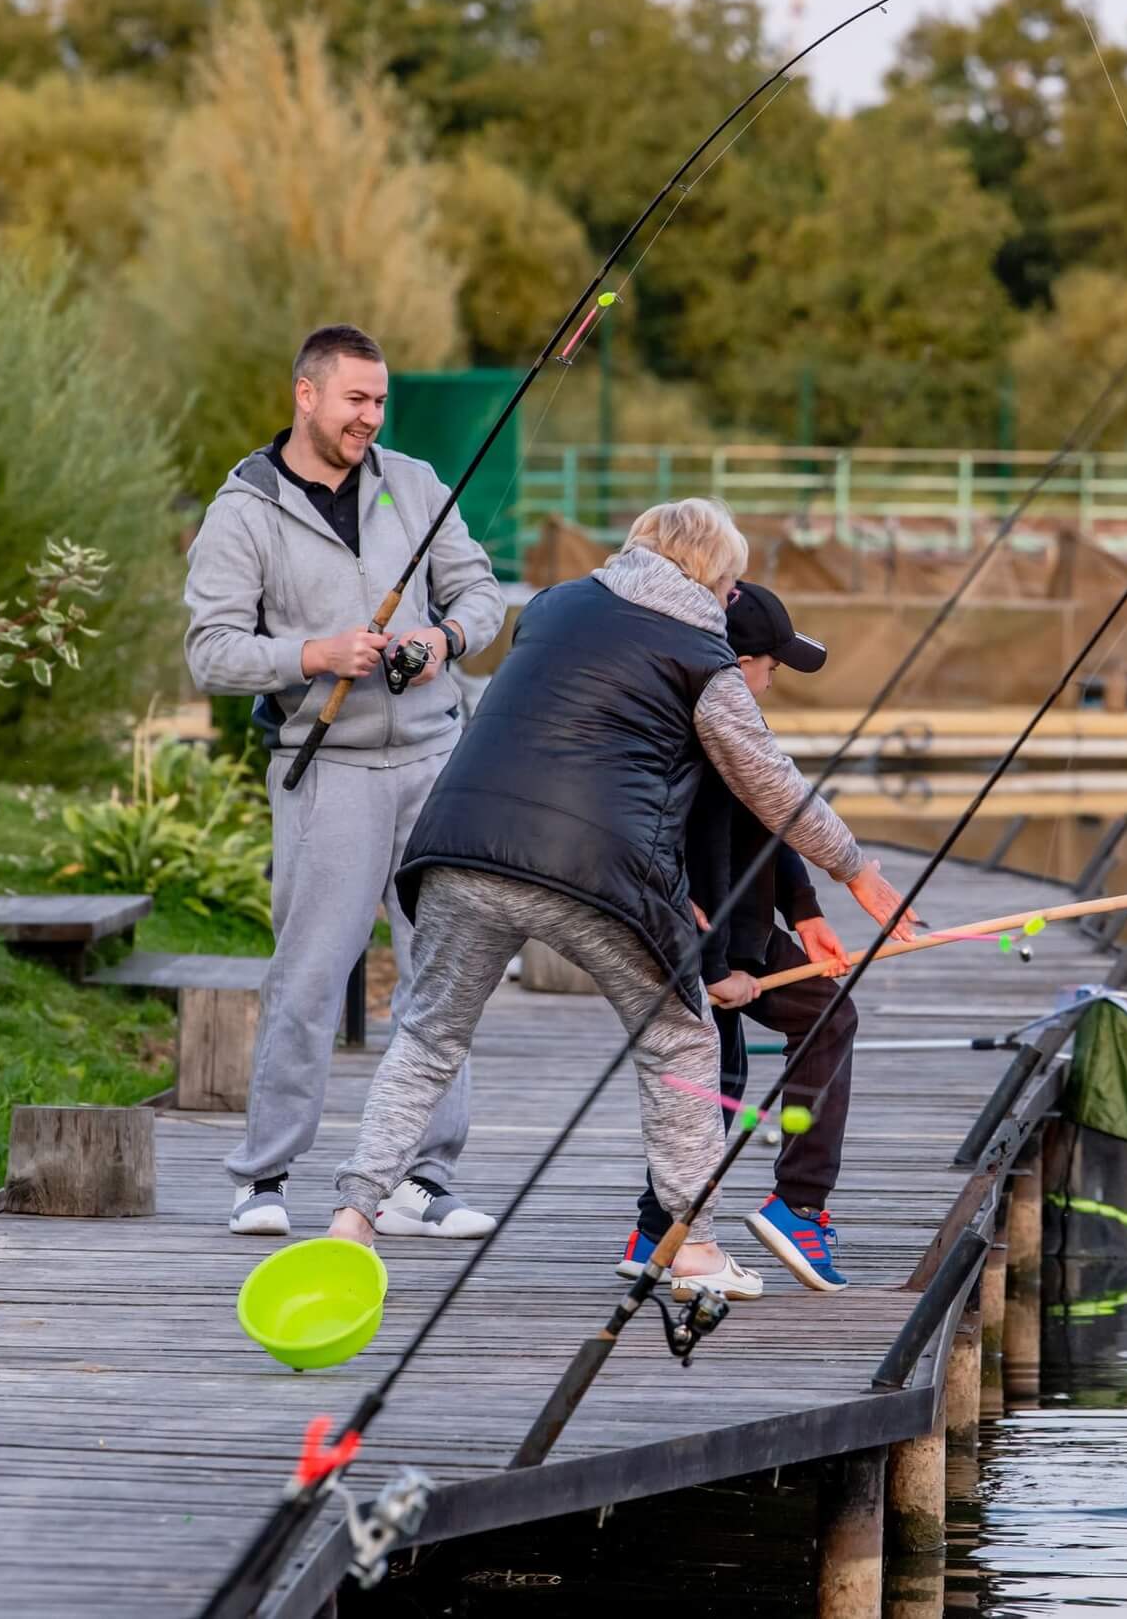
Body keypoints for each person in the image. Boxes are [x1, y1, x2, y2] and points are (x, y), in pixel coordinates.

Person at [323, 500, 917, 1301]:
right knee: (680, 1041)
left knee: (428, 1038)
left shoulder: (554, 605)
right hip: (594, 868)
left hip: (459, 840)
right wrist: (851, 866)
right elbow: (765, 779)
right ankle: (694, 1249)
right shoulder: (702, 651)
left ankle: (353, 1219)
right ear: (708, 572)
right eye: (730, 580)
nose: (730, 596)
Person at [184, 324, 506, 1240]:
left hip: (437, 763)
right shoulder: (242, 510)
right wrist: (312, 654)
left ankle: (419, 1177)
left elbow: (480, 595)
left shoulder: (416, 484)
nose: (372, 415)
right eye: (356, 399)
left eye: (380, 399)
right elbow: (210, 651)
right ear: (306, 396)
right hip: (328, 768)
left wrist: (443, 639)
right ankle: (262, 1175)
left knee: (442, 970)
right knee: (313, 974)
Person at [634, 581, 862, 1291]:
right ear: (741, 663)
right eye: (771, 666)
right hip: (702, 934)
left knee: (722, 1071)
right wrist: (725, 964)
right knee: (824, 1017)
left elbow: (770, 818)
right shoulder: (708, 730)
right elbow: (701, 852)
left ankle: (656, 1228)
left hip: (742, 929)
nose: (774, 680)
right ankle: (798, 1205)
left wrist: (806, 909)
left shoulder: (712, 714)